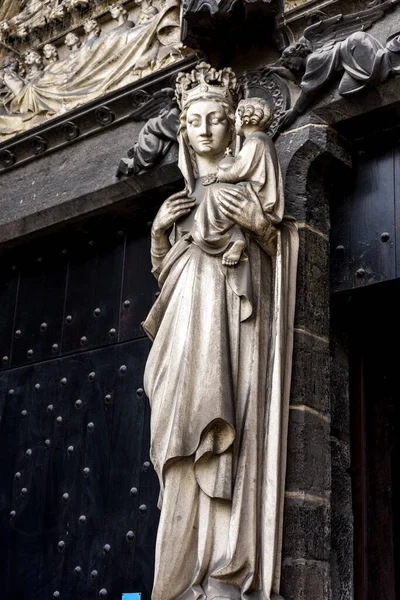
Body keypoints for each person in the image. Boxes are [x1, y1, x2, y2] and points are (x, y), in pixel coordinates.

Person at [142, 62, 298, 600]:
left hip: (228, 330)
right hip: (180, 336)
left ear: (231, 125)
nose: (205, 129)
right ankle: (180, 575)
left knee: (224, 437)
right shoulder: (179, 201)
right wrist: (161, 233)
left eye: (214, 118)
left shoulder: (247, 179)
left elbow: (275, 248)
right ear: (182, 131)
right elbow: (166, 276)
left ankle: (224, 567)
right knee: (177, 446)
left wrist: (252, 226)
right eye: (194, 121)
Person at [198, 97, 275, 266]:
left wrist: (220, 175)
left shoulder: (256, 140)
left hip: (256, 198)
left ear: (245, 117)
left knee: (215, 192)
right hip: (249, 192)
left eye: (236, 118)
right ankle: (236, 237)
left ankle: (217, 239)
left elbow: (239, 170)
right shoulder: (256, 140)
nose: (235, 123)